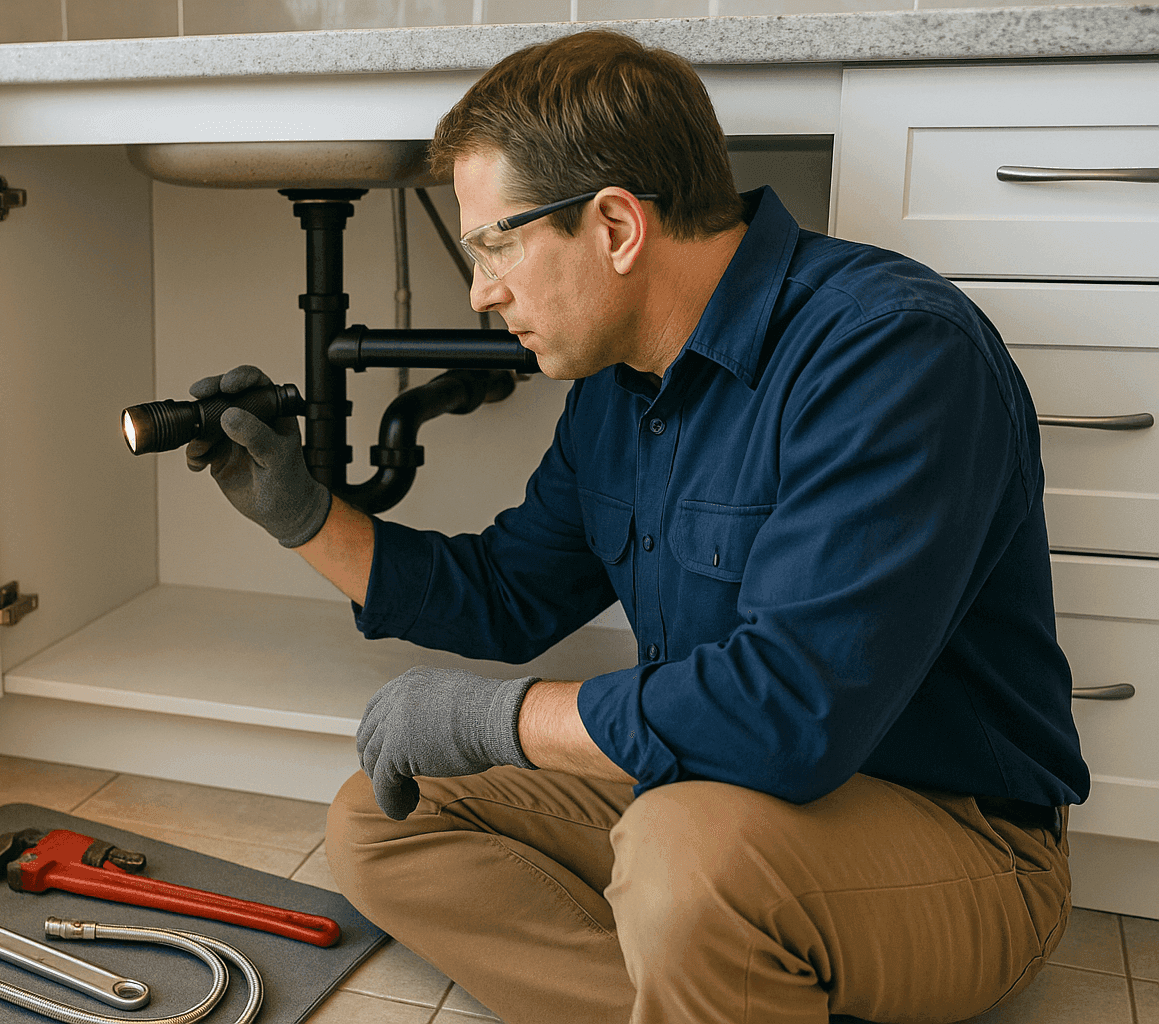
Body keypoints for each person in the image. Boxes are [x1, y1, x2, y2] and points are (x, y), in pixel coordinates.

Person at [186, 31, 1089, 1024]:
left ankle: (721, 968)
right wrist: (304, 515)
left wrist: (500, 717)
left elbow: (791, 715)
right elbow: (507, 593)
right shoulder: (619, 393)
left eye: (496, 243)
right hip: (711, 789)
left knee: (684, 849)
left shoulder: (890, 354)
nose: (481, 289)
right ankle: (726, 992)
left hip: (952, 837)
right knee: (380, 817)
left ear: (616, 225)